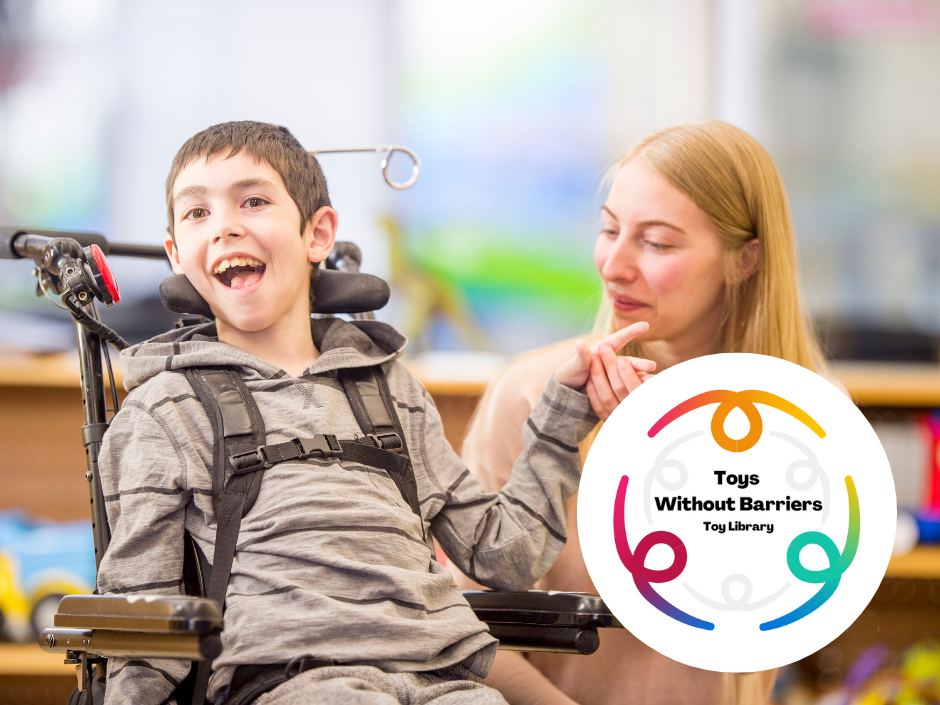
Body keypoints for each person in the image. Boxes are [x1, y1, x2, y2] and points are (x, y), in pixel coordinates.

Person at [95, 120, 644, 705]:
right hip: (293, 679)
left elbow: (502, 554)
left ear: (319, 233)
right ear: (178, 256)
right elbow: (141, 621)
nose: (226, 225)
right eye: (197, 213)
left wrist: (564, 414)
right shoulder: (164, 410)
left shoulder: (389, 391)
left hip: (443, 676)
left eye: (253, 201)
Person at [457, 120, 826, 705]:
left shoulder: (805, 425)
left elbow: (758, 613)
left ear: (744, 260)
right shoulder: (532, 394)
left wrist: (656, 458)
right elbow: (463, 629)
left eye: (656, 243)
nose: (614, 265)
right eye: (609, 230)